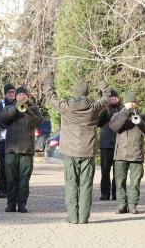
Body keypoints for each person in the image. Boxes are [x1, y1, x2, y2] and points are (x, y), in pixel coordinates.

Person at [45, 73, 110, 224]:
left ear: (74, 92)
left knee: (71, 184)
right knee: (86, 185)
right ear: (87, 93)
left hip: (70, 152)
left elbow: (50, 96)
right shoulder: (94, 107)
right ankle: (84, 217)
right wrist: (101, 81)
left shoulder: (65, 107)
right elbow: (106, 97)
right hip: (88, 151)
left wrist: (50, 80)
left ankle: (73, 217)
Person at [0, 86, 42, 213]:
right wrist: (15, 107)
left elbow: (37, 122)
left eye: (24, 95)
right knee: (11, 178)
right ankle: (11, 203)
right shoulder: (8, 108)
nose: (22, 97)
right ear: (16, 97)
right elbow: (3, 120)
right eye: (19, 95)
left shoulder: (33, 109)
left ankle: (22, 203)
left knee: (24, 178)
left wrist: (27, 110)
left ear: (28, 97)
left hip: (26, 150)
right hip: (11, 149)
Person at [110, 92, 145, 214]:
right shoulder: (117, 115)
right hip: (120, 154)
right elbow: (114, 127)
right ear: (124, 103)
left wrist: (139, 122)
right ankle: (122, 205)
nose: (131, 104)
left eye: (133, 102)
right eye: (128, 102)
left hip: (136, 154)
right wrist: (126, 115)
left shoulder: (142, 116)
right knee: (120, 182)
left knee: (135, 183)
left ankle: (133, 205)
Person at [97, 89, 123, 201]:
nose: (113, 98)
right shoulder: (103, 108)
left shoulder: (122, 109)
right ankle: (105, 192)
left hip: (119, 144)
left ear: (118, 98)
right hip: (106, 144)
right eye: (111, 97)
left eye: (115, 97)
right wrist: (103, 111)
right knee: (105, 170)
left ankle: (116, 192)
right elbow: (97, 123)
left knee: (118, 171)